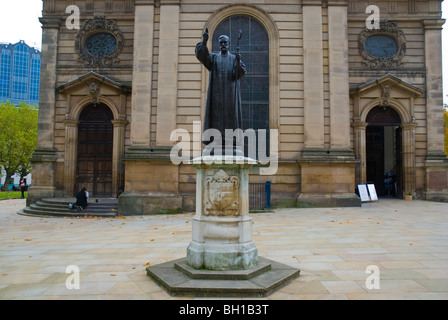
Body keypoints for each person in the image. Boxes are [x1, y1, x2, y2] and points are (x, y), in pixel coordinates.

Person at [195, 28, 247, 155]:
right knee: (215, 117)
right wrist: (204, 41)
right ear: (219, 44)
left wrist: (239, 61)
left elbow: (240, 73)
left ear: (229, 44)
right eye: (221, 43)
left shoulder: (234, 58)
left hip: (230, 96)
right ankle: (215, 140)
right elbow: (202, 56)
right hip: (216, 96)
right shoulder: (213, 58)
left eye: (225, 43)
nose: (223, 45)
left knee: (231, 118)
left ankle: (231, 141)